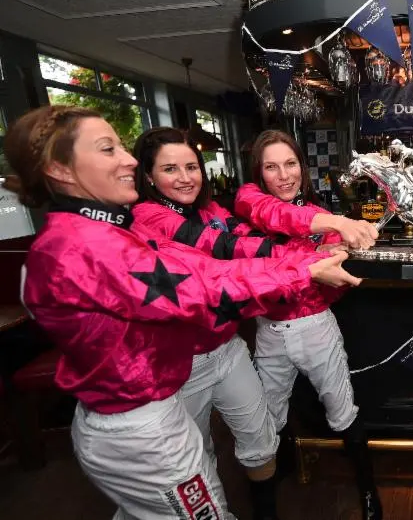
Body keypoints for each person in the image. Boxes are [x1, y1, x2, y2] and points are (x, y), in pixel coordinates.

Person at [8, 105, 359, 520]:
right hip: (141, 420)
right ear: (59, 169)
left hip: (162, 398)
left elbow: (214, 261)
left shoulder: (105, 230)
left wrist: (306, 259)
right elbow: (202, 288)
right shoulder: (86, 245)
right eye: (107, 148)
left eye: (192, 166)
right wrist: (305, 267)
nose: (129, 159)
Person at [130, 127, 320, 520]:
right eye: (170, 169)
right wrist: (308, 256)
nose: (186, 177)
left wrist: (305, 252)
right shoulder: (146, 216)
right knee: (196, 456)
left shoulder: (212, 211)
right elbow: (222, 247)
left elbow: (245, 237)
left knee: (260, 438)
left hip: (228, 347)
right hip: (183, 362)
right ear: (148, 175)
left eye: (192, 167)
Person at [234, 130, 383, 520]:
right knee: (268, 417)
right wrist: (315, 253)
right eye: (272, 167)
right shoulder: (250, 205)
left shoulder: (321, 217)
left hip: (316, 327)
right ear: (259, 172)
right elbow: (274, 230)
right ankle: (271, 492)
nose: (284, 175)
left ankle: (369, 493)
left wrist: (340, 254)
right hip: (269, 331)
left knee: (342, 410)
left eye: (290, 164)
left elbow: (336, 288)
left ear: (302, 167)